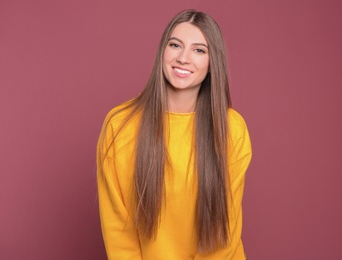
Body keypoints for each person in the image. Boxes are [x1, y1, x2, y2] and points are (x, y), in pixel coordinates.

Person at [97, 9, 252, 260]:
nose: (183, 58)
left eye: (199, 50)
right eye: (175, 45)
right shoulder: (120, 125)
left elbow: (227, 230)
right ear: (163, 51)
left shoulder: (231, 128)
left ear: (213, 63)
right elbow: (118, 229)